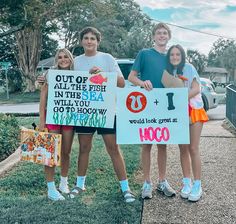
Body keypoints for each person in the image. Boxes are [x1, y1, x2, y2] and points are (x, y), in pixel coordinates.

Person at [68, 27, 135, 203]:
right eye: (86, 38)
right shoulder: (76, 62)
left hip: (106, 110)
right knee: (84, 148)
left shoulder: (107, 58)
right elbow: (68, 85)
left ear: (98, 41)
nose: (89, 41)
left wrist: (103, 75)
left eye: (92, 38)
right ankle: (79, 184)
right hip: (85, 111)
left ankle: (125, 188)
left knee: (113, 148)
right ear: (81, 41)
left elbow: (121, 83)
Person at [128, 23, 176, 199]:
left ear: (168, 36)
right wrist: (142, 83)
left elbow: (176, 79)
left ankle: (162, 182)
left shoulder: (173, 56)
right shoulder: (145, 54)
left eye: (165, 33)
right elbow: (131, 77)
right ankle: (147, 183)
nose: (162, 36)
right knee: (147, 144)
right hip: (148, 104)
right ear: (153, 36)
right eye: (158, 33)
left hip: (166, 105)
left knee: (163, 144)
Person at [165, 44, 208, 201]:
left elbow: (196, 89)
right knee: (182, 148)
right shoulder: (168, 72)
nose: (175, 57)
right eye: (172, 55)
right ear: (169, 57)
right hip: (178, 114)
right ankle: (187, 182)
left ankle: (197, 185)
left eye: (178, 54)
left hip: (194, 110)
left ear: (182, 56)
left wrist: (181, 98)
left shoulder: (189, 68)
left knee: (193, 148)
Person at [39, 48, 74, 201]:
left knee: (66, 152)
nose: (63, 59)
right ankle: (51, 189)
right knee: (51, 153)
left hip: (69, 117)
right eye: (59, 57)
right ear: (56, 60)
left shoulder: (77, 74)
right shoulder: (50, 74)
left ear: (71, 59)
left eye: (66, 56)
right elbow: (42, 100)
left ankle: (64, 183)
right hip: (52, 117)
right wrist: (41, 122)